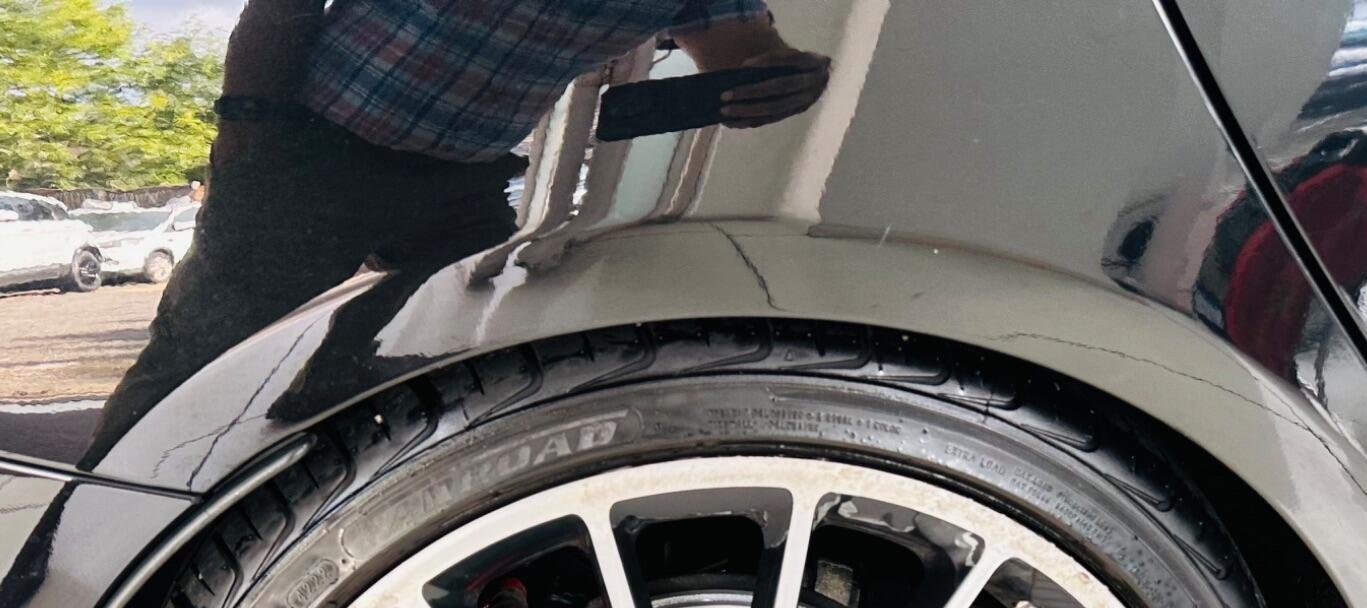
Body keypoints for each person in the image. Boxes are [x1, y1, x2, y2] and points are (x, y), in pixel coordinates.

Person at [86, 0, 829, 463]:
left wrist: (784, 76)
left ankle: (308, 452)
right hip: (312, 148)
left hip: (465, 178)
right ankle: (76, 531)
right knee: (198, 349)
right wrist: (248, 128)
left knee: (452, 340)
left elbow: (745, 54)